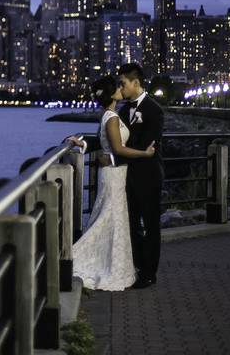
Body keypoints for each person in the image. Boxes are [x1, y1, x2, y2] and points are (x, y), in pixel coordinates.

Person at [69, 76, 155, 291]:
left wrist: (84, 143)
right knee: (112, 217)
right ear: (111, 93)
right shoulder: (113, 117)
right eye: (117, 86)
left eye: (121, 84)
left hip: (113, 172)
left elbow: (104, 142)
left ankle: (113, 263)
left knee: (111, 217)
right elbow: (117, 148)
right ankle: (96, 263)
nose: (120, 88)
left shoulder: (111, 114)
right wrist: (144, 154)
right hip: (114, 173)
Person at [117, 62, 165, 289]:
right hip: (128, 177)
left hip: (148, 176)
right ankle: (137, 265)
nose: (121, 88)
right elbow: (114, 138)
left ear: (135, 82)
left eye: (123, 83)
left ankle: (149, 273)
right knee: (132, 224)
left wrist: (121, 149)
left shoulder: (155, 110)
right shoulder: (123, 110)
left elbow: (148, 144)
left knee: (152, 225)